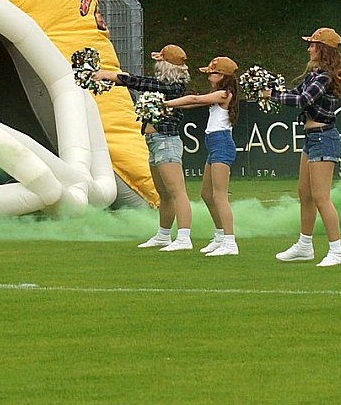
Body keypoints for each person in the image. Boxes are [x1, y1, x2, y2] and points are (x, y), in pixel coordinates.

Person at [261, 28, 341, 266]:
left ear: (323, 50)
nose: (309, 49)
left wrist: (271, 95)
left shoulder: (325, 77)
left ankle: (336, 251)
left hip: (323, 138)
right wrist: (273, 90)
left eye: (312, 45)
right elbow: (295, 93)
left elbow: (303, 100)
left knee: (321, 198)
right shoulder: (314, 75)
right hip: (312, 139)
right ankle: (304, 245)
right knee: (305, 193)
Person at [95, 44, 193, 251]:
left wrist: (107, 75)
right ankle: (163, 236)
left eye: (160, 62)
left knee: (177, 192)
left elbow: (137, 81)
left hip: (166, 141)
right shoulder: (164, 85)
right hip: (155, 141)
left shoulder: (172, 87)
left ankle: (184, 237)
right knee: (164, 194)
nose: (156, 65)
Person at [164, 57, 240, 257]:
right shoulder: (219, 93)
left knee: (219, 195)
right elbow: (192, 103)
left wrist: (165, 104)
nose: (208, 77)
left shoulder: (224, 94)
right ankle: (220, 236)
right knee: (207, 194)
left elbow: (195, 100)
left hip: (222, 144)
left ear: (222, 76)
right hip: (214, 144)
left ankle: (230, 242)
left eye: (212, 73)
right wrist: (170, 105)